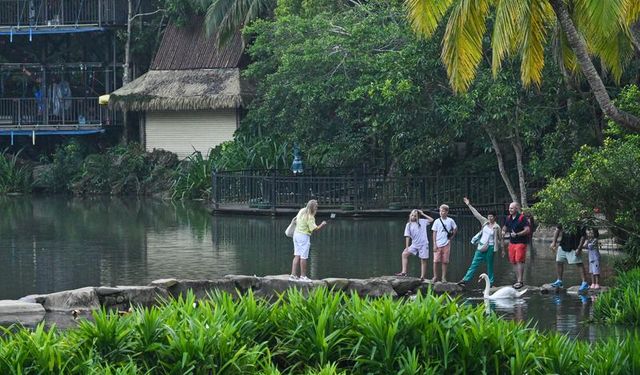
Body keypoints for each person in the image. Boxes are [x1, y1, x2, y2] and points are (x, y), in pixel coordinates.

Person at [457, 197, 502, 287]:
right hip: (481, 246)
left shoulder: (497, 227)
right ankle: (465, 280)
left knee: (490, 266)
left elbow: (500, 238)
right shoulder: (485, 222)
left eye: (491, 216)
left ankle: (491, 283)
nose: (489, 218)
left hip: (491, 247)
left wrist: (502, 249)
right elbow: (476, 214)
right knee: (474, 263)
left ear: (495, 217)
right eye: (489, 216)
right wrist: (469, 205)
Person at [290, 200, 327, 282]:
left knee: (297, 255)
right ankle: (303, 277)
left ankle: (293, 275)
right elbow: (314, 229)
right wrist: (322, 224)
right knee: (303, 257)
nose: (317, 208)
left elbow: (296, 220)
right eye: (316, 207)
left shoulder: (301, 210)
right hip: (303, 237)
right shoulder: (310, 216)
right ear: (313, 207)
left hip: (296, 235)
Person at [549, 224, 589, 292]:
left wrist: (579, 248)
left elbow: (583, 236)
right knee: (559, 261)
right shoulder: (565, 219)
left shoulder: (580, 223)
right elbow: (557, 229)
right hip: (563, 244)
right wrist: (554, 242)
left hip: (574, 246)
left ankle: (584, 282)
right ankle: (559, 280)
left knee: (579, 263)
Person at [395, 209, 434, 279]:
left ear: (418, 217)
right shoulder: (408, 225)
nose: (413, 217)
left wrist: (422, 214)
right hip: (414, 244)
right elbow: (407, 236)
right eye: (412, 215)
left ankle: (422, 276)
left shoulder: (422, 221)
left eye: (415, 216)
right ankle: (404, 272)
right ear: (410, 215)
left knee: (423, 260)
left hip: (423, 244)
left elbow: (431, 220)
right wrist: (407, 248)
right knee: (404, 254)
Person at [502, 202, 530, 289]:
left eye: (512, 208)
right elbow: (505, 227)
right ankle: (517, 280)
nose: (510, 210)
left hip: (520, 242)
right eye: (509, 208)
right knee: (513, 261)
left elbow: (527, 230)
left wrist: (517, 234)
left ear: (516, 209)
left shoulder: (522, 218)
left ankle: (520, 281)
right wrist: (503, 231)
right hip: (512, 243)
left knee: (519, 260)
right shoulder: (508, 218)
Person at [431, 204, 457, 283]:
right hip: (438, 243)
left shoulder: (450, 220)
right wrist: (434, 244)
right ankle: (435, 276)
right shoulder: (437, 221)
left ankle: (443, 277)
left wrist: (452, 236)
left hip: (446, 243)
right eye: (440, 211)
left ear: (447, 212)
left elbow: (455, 228)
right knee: (436, 261)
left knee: (445, 261)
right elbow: (434, 233)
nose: (441, 212)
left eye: (443, 211)